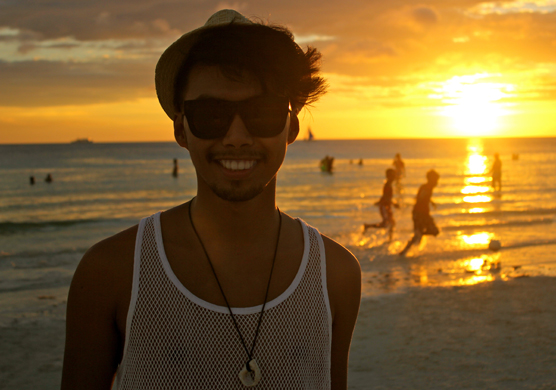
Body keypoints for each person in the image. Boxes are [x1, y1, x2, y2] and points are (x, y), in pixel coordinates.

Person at [61, 10, 361, 390]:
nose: (236, 136)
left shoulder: (335, 275)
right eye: (211, 114)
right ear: (181, 129)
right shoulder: (111, 272)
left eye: (262, 112)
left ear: (291, 128)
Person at [399, 169, 440, 256]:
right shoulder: (426, 187)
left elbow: (424, 197)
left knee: (432, 232)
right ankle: (404, 251)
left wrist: (431, 202)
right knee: (433, 231)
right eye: (436, 180)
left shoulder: (428, 187)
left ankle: (405, 250)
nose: (437, 182)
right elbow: (419, 198)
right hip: (419, 214)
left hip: (423, 214)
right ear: (430, 179)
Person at [363, 168, 399, 241]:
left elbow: (386, 197)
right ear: (389, 176)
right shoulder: (388, 185)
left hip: (387, 206)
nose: (395, 176)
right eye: (393, 175)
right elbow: (386, 197)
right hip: (384, 206)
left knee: (391, 223)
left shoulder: (389, 185)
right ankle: (368, 226)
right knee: (387, 224)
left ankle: (390, 239)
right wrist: (394, 204)